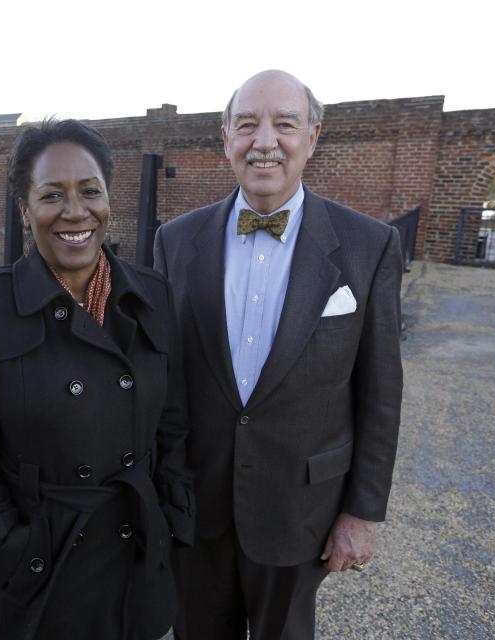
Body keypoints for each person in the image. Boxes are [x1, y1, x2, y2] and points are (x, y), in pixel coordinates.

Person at [153, 70, 403, 639]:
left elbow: (381, 391)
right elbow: (164, 379)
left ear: (312, 137)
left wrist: (363, 513)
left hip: (301, 510)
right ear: (225, 138)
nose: (264, 140)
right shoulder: (176, 241)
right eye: (247, 124)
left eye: (284, 124)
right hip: (197, 510)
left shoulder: (369, 246)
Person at [0, 119, 193, 640]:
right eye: (52, 195)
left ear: (108, 199)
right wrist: (9, 546)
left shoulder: (152, 296)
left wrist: (172, 514)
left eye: (89, 191)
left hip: (137, 557)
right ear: (25, 209)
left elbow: (175, 423)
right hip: (40, 568)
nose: (75, 211)